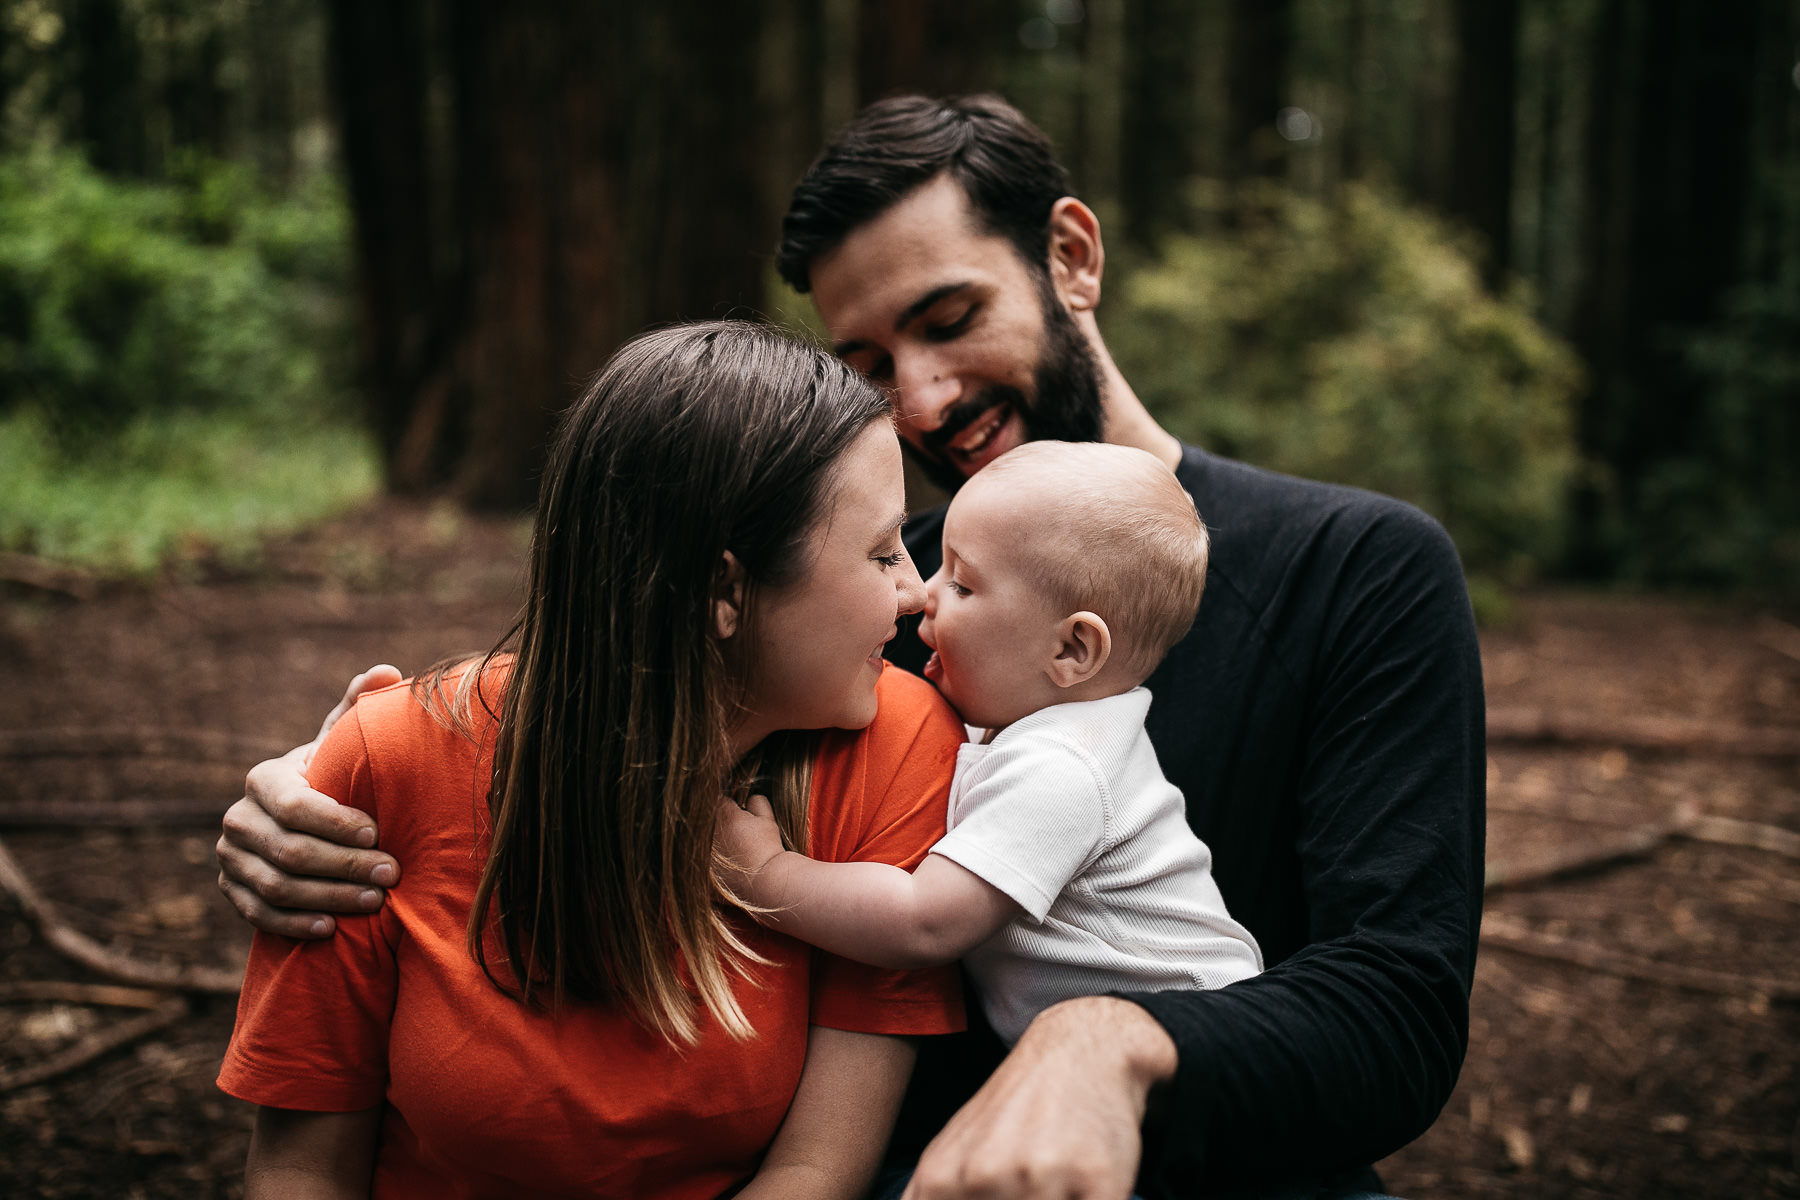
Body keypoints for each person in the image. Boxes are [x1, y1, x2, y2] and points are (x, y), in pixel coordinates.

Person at [217, 95, 1485, 1199]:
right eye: (868, 363)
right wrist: (328, 781)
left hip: (1221, 1154)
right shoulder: (879, 589)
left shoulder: (1356, 569)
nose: (922, 399)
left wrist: (1108, 1039)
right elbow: (624, 669)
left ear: (1072, 256)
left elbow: (1396, 1012)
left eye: (950, 317)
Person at [216, 321, 968, 1198]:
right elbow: (302, 1168)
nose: (915, 592)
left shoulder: (898, 745)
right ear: (726, 589)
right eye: (882, 553)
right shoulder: (389, 763)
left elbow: (816, 1169)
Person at [716, 440, 1263, 1049]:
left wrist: (766, 877)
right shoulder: (1040, 735)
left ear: (1071, 650)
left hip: (1198, 1051)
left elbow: (924, 922)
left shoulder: (1062, 767)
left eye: (963, 584)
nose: (925, 592)